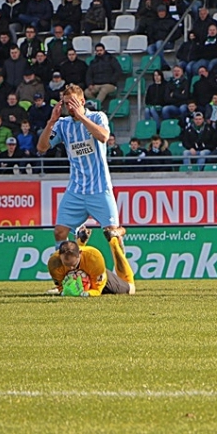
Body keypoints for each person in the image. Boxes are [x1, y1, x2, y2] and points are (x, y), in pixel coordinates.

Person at [36, 84, 127, 295]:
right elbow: (41, 148)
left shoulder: (97, 117)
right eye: (65, 103)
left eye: (72, 103)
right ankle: (64, 280)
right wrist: (51, 121)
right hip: (76, 189)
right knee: (60, 231)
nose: (69, 107)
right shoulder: (63, 125)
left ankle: (122, 277)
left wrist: (81, 117)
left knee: (113, 235)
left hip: (99, 187)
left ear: (82, 102)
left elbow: (104, 137)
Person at [47, 233, 135, 297]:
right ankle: (81, 241)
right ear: (59, 257)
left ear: (80, 254)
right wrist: (65, 291)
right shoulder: (54, 263)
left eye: (74, 264)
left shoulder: (94, 258)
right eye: (66, 265)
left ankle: (114, 242)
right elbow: (61, 287)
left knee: (131, 289)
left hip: (95, 276)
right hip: (85, 270)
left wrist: (85, 293)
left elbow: (97, 289)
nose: (71, 268)